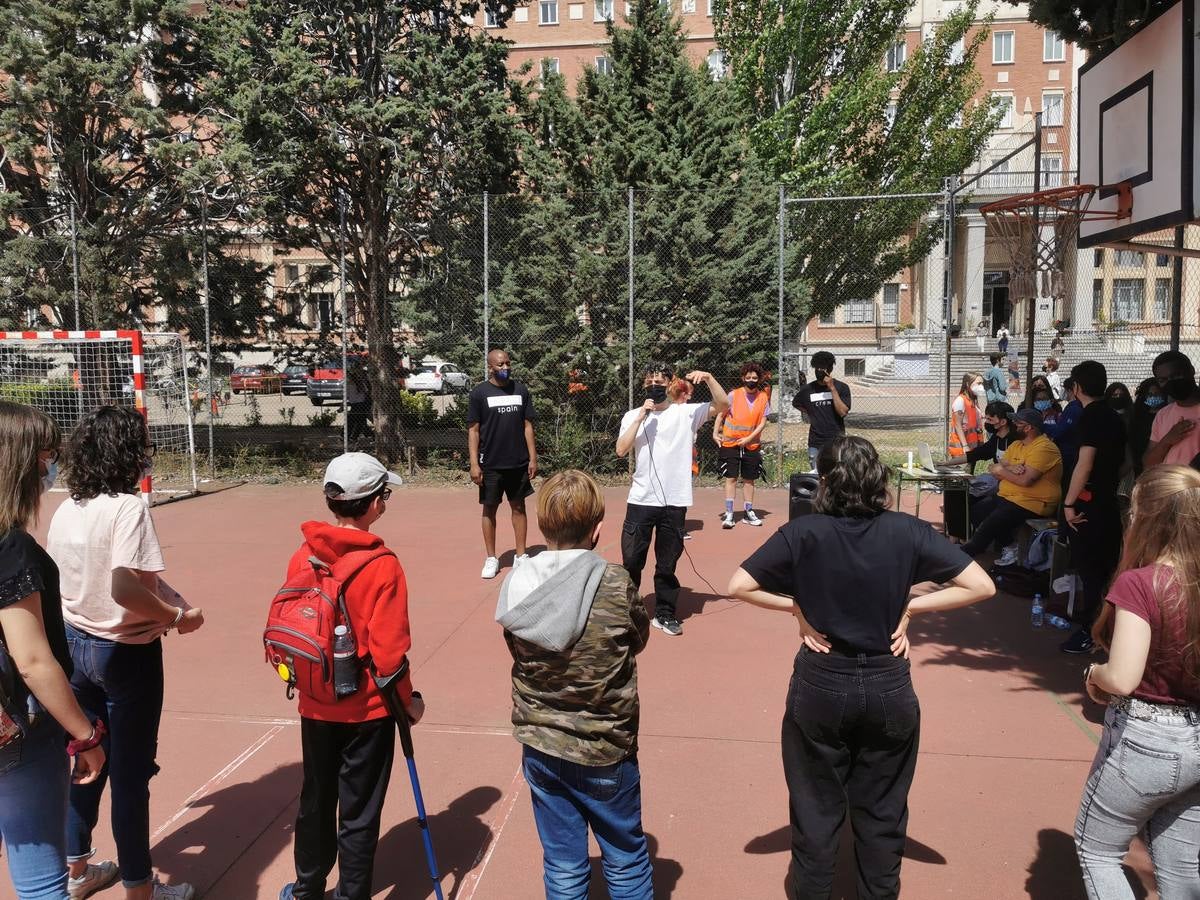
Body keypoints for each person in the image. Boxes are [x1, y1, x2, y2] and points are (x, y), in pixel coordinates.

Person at [727, 435, 994, 900]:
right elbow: (980, 585)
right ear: (878, 478)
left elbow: (740, 585)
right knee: (883, 812)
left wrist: (797, 610)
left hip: (822, 678)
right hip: (888, 681)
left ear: (824, 481)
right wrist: (911, 609)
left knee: (814, 810)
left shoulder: (803, 532)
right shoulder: (906, 531)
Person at [47, 406, 204, 900]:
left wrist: (170, 598)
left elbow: (120, 577)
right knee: (131, 775)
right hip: (127, 654)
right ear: (128, 452)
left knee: (87, 758)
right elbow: (123, 587)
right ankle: (140, 888)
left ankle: (76, 870)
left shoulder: (68, 506)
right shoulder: (129, 507)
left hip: (76, 648)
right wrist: (175, 617)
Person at [495, 470, 652, 899]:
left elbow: (516, 647)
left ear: (543, 527)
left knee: (563, 864)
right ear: (597, 530)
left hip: (541, 745)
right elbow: (638, 638)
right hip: (604, 747)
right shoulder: (616, 582)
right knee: (625, 856)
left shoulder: (517, 583)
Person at [279, 453, 421, 900]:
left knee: (316, 799)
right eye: (386, 494)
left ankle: (307, 889)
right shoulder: (383, 565)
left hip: (314, 701)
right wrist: (408, 703)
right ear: (374, 504)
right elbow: (389, 653)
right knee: (359, 812)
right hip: (367, 710)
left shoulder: (304, 553)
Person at [1074, 465, 1200, 899]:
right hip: (1197, 736)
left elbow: (1123, 677)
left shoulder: (1142, 584)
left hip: (1147, 737)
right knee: (1182, 866)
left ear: (1145, 517)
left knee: (1097, 851)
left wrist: (1095, 675)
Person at [0, 402, 107, 900]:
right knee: (42, 881)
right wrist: (84, 735)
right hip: (18, 729)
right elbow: (33, 659)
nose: (51, 467)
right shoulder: (9, 547)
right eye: (45, 455)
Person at [616, 362, 729, 637]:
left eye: (661, 380)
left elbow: (724, 405)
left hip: (674, 502)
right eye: (650, 380)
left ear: (670, 384)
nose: (655, 384)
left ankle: (664, 613)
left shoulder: (686, 413)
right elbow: (621, 450)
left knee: (667, 563)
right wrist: (641, 415)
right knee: (632, 561)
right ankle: (629, 612)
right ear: (644, 385)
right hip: (641, 499)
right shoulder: (633, 414)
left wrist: (710, 376)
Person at [1060, 361, 1128, 656]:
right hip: (1107, 500)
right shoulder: (1115, 416)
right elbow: (1126, 461)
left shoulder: (1090, 417)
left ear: (1076, 388)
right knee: (1106, 567)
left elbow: (1084, 464)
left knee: (1090, 570)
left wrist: (1069, 503)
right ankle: (1103, 627)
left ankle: (1091, 630)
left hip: (1089, 504)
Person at [468, 349, 538, 580]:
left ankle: (521, 555)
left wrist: (532, 457)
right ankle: (491, 558)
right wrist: (474, 463)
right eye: (500, 364)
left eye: (508, 363)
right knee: (490, 509)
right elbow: (474, 431)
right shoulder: (479, 393)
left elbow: (528, 426)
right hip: (490, 464)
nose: (505, 367)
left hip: (518, 462)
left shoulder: (521, 390)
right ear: (490, 367)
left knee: (519, 507)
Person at [961, 408, 1063, 567]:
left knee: (993, 521)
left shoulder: (1044, 447)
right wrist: (1009, 468)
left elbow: (1026, 481)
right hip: (1009, 497)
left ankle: (967, 553)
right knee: (977, 511)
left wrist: (1003, 470)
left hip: (1033, 502)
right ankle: (1010, 546)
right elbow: (993, 469)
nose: (1013, 425)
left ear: (1029, 428)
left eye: (1017, 423)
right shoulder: (1017, 445)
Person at [712, 363, 770, 528]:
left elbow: (762, 423)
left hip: (751, 445)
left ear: (759, 379)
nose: (751, 380)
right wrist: (715, 433)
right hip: (731, 443)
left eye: (754, 378)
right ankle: (729, 513)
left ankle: (748, 512)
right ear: (743, 378)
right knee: (731, 478)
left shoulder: (763, 397)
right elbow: (720, 415)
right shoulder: (733, 395)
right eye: (748, 377)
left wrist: (749, 438)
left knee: (749, 480)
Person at [790, 351, 851, 468]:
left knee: (837, 474)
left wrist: (832, 388)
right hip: (815, 441)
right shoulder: (807, 389)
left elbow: (843, 412)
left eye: (823, 368)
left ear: (830, 368)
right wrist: (811, 411)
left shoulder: (841, 387)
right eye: (817, 367)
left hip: (837, 440)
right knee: (816, 474)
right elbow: (796, 403)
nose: (819, 370)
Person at [1144, 351, 1200, 469]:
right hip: (1169, 485)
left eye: (1176, 375)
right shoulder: (1163, 415)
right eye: (1163, 380)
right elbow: (1148, 464)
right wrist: (1167, 440)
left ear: (1192, 370)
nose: (1171, 382)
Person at [1129, 377, 1166, 480]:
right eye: (1150, 395)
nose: (1153, 397)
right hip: (1142, 466)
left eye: (1157, 394)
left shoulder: (1168, 415)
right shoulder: (1137, 418)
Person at [948, 372, 985, 462]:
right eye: (978, 383)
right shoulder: (960, 401)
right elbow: (957, 425)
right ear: (968, 384)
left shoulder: (973, 400)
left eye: (982, 384)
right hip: (962, 449)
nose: (981, 386)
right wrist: (965, 446)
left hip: (972, 447)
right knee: (963, 475)